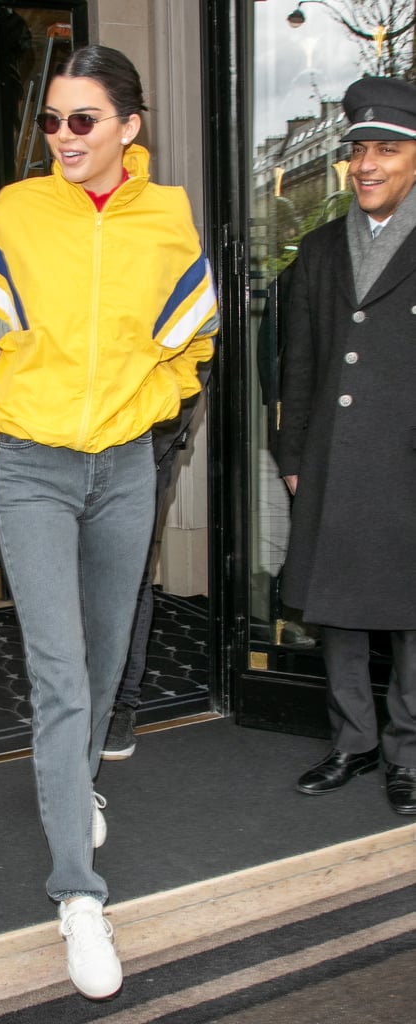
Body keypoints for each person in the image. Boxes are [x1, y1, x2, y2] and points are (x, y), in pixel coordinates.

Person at [0, 44, 218, 1001]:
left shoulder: (166, 219)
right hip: (34, 468)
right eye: (51, 120)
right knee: (56, 673)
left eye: (82, 120)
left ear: (130, 127)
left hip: (124, 468)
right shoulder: (17, 214)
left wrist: (157, 397)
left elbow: (191, 336)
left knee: (98, 661)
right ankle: (78, 897)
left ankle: (75, 783)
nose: (62, 137)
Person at [277, 76, 416, 817]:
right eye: (358, 148)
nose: (366, 163)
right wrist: (292, 454)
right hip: (332, 458)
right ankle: (352, 742)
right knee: (336, 611)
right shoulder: (322, 247)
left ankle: (408, 753)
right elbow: (297, 360)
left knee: (411, 614)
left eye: (386, 148)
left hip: (407, 464)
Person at [102, 393, 202, 760]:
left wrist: (158, 440)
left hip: (145, 444)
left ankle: (122, 705)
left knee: (132, 575)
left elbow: (192, 368)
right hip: (68, 445)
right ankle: (80, 701)